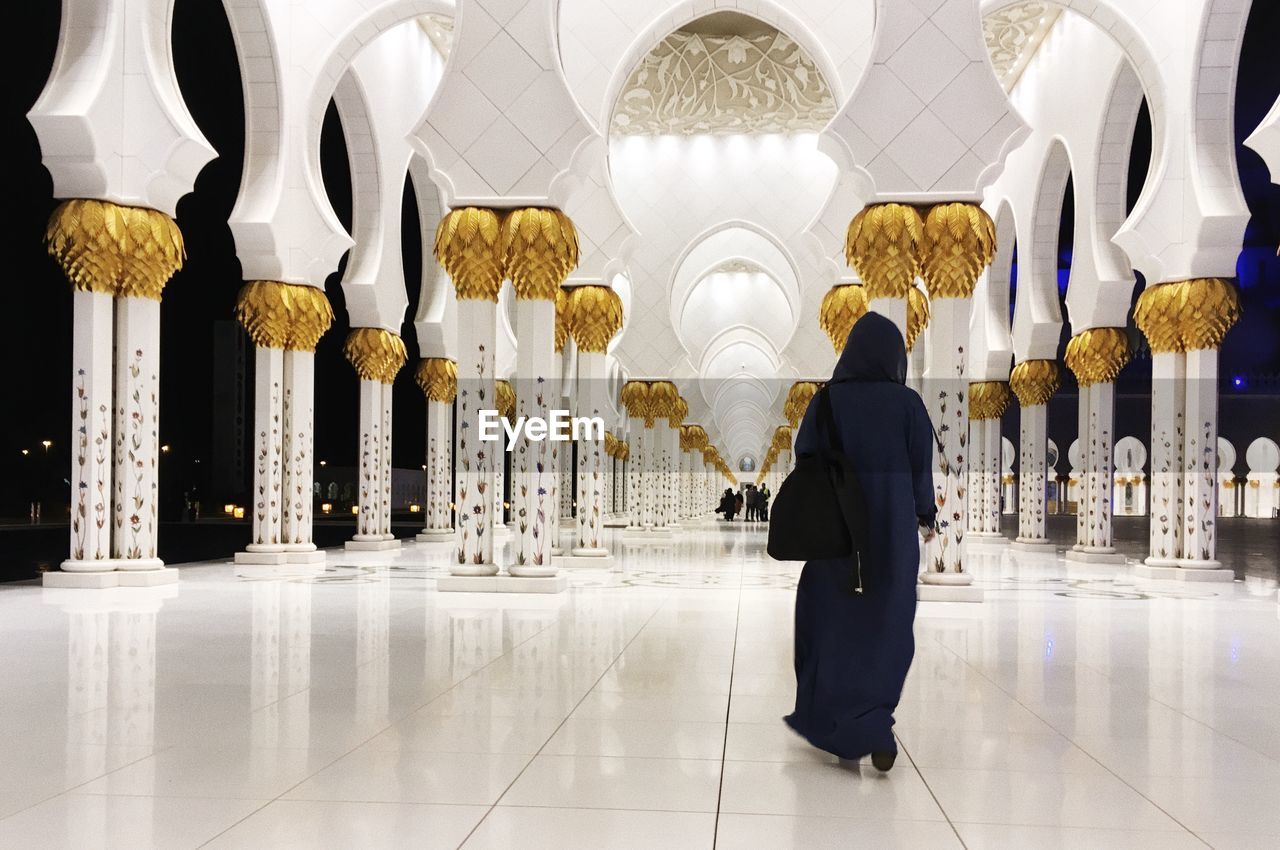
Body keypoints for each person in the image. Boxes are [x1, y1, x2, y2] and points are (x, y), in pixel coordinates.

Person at [783, 312, 937, 773]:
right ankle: (874, 722)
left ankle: (834, 722)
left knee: (832, 623)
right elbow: (919, 474)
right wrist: (925, 515)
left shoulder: (826, 403)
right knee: (886, 626)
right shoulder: (908, 406)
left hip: (837, 537)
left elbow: (804, 455)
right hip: (890, 538)